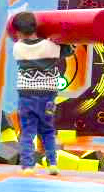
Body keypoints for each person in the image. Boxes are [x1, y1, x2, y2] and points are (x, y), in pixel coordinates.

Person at [11, 10, 70, 174]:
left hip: (26, 96)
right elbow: (69, 50)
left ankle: (27, 166)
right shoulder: (51, 47)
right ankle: (52, 164)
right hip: (47, 96)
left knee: (27, 131)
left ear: (18, 32)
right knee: (48, 130)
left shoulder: (17, 48)